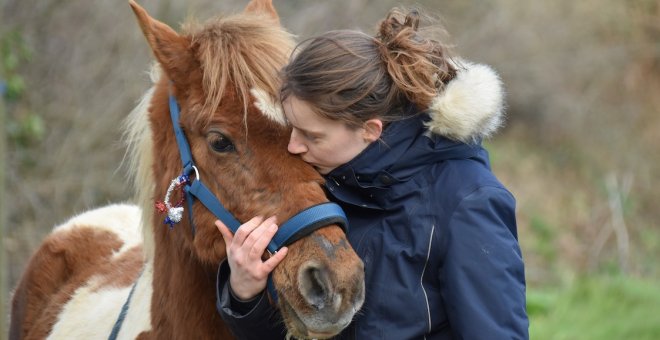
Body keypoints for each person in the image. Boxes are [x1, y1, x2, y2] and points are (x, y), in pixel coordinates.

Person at [215, 7, 529, 339]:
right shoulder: (327, 184)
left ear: (370, 130)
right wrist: (245, 292)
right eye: (292, 129)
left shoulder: (466, 202)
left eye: (312, 136)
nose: (293, 147)